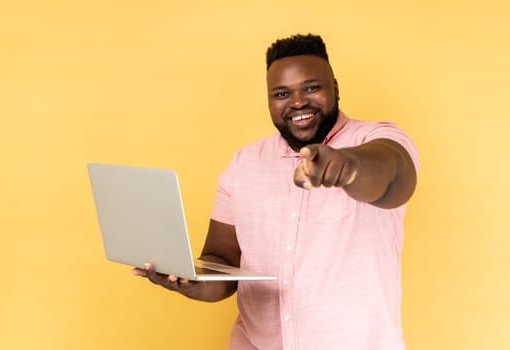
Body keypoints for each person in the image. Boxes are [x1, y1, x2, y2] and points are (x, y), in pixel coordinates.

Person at [133, 33, 419, 350]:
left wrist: (347, 165)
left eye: (311, 87)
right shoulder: (244, 163)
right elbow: (223, 262)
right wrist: (189, 280)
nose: (297, 102)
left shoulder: (375, 138)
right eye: (281, 93)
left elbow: (394, 177)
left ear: (335, 88)